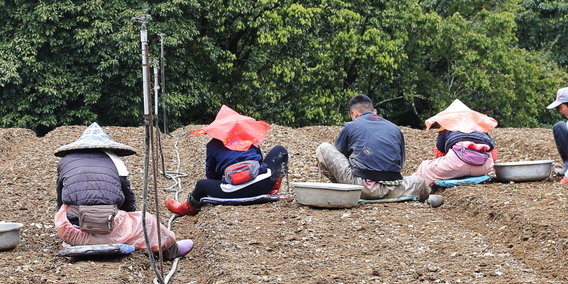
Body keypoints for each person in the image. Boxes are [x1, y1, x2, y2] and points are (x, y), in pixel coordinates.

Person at [53, 123, 191, 259]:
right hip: (108, 229)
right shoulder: (114, 160)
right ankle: (171, 250)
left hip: (73, 232)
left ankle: (77, 240)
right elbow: (127, 197)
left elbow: (60, 199)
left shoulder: (65, 161)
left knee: (67, 208)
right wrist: (128, 216)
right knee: (146, 220)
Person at [315, 94, 443, 207]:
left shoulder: (351, 126)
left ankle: (344, 192)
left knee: (324, 148)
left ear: (354, 114)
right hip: (394, 187)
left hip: (360, 187)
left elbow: (341, 158)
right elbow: (400, 164)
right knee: (419, 182)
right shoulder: (395, 128)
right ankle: (426, 198)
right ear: (374, 111)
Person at [165, 106, 288, 216]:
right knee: (280, 149)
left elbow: (212, 176)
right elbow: (260, 160)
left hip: (234, 191)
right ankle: (273, 190)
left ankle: (188, 208)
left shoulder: (212, 145)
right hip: (263, 184)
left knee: (202, 184)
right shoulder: (249, 137)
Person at [409, 99, 499, 186]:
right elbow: (493, 153)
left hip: (457, 164)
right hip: (483, 166)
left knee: (425, 167)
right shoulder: (480, 128)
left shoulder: (447, 128)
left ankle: (415, 189)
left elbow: (439, 152)